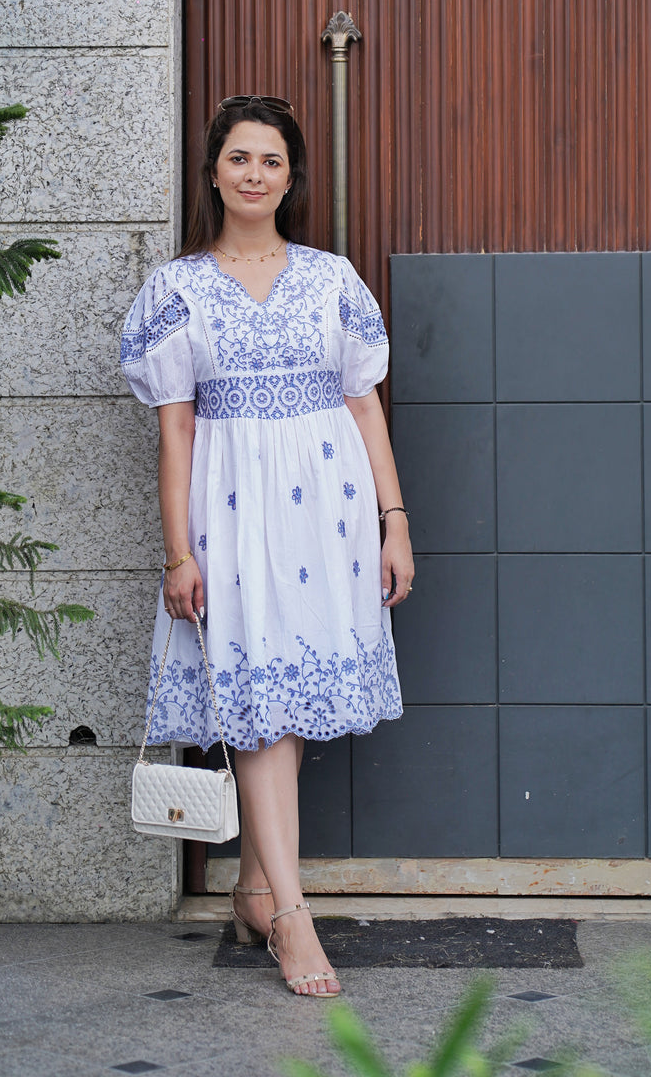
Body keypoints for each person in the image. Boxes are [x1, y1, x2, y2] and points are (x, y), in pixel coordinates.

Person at [120, 95, 413, 998]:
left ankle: (255, 885)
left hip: (325, 509)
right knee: (256, 704)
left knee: (282, 710)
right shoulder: (176, 289)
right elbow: (175, 434)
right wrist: (179, 553)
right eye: (239, 158)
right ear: (213, 171)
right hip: (234, 512)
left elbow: (365, 404)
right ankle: (292, 915)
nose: (254, 174)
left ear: (291, 176)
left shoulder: (331, 278)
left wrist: (393, 520)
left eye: (272, 161)